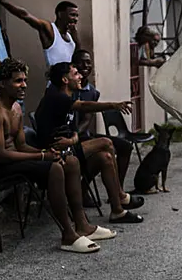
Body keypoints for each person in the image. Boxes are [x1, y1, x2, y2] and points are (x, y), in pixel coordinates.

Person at [0, 58, 117, 254]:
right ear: (2, 83)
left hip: (11, 158)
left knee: (70, 161)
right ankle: (68, 234)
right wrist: (42, 157)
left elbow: (22, 145)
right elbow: (0, 155)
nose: (23, 85)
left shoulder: (15, 108)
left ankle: (83, 225)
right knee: (54, 168)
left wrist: (47, 153)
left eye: (24, 80)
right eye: (17, 81)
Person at [35, 62, 144, 224]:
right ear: (65, 79)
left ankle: (117, 211)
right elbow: (85, 106)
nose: (80, 77)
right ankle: (120, 196)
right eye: (76, 74)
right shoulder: (57, 97)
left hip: (68, 148)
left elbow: (73, 132)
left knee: (105, 157)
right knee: (106, 142)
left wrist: (72, 139)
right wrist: (114, 105)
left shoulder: (65, 98)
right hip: (56, 155)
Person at [71, 49, 133, 187]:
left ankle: (118, 188)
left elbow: (87, 120)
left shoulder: (92, 91)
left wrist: (76, 133)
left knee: (125, 147)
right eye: (81, 63)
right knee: (102, 153)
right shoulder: (68, 88)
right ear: (73, 65)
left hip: (82, 135)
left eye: (88, 62)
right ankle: (84, 190)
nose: (86, 66)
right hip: (70, 138)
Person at [0, 0, 80, 70]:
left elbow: (77, 58)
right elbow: (24, 15)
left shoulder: (71, 36)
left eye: (77, 16)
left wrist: (76, 38)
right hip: (56, 85)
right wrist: (1, 1)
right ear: (60, 14)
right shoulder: (50, 29)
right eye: (72, 15)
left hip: (68, 84)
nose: (76, 19)